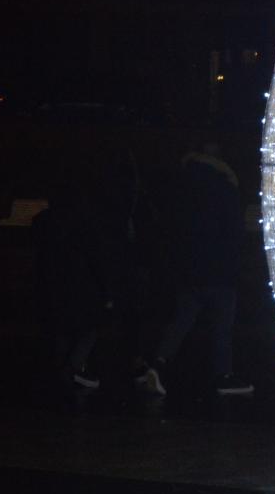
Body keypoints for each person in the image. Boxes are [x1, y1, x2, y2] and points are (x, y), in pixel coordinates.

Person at [132, 143, 252, 400]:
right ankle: (224, 376)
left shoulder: (180, 187)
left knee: (181, 321)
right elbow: (234, 233)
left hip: (188, 268)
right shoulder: (225, 187)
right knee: (222, 326)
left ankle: (158, 364)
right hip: (219, 268)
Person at [35, 155, 135, 393]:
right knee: (89, 329)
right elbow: (97, 257)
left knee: (62, 329)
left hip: (54, 282)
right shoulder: (87, 222)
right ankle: (71, 369)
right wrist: (107, 290)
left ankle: (62, 370)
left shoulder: (46, 221)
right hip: (82, 283)